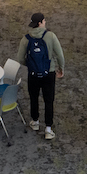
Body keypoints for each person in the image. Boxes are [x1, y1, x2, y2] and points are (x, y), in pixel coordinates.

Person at [16, 12, 65, 140]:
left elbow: (20, 58)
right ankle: (48, 128)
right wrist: (61, 68)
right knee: (49, 100)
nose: (45, 23)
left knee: (33, 97)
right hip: (49, 72)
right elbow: (60, 55)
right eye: (44, 21)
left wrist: (31, 65)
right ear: (40, 23)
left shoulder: (26, 39)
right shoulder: (50, 36)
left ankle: (35, 121)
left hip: (33, 74)